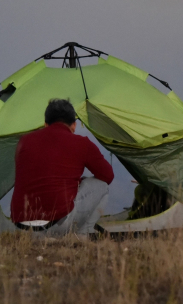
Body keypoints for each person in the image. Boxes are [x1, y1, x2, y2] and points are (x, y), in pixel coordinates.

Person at [10, 98, 114, 236]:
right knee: (101, 186)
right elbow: (107, 176)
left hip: (21, 227)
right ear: (74, 125)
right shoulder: (82, 143)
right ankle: (83, 235)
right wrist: (79, 183)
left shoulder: (24, 141)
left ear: (46, 124)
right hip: (56, 226)